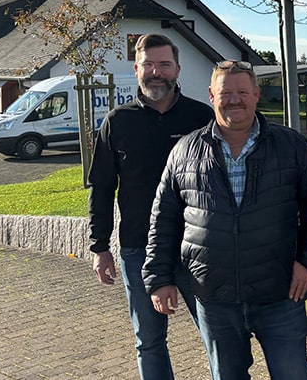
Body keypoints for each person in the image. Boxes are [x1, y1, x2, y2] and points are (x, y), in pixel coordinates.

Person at [142, 59, 307, 380]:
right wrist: (159, 278)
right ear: (212, 96)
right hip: (215, 298)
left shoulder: (291, 146)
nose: (234, 100)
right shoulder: (185, 152)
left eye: (242, 92)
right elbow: (163, 220)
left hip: (280, 294)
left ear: (256, 94)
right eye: (225, 93)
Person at [87, 33, 214, 380]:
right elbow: (101, 188)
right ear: (136, 68)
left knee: (217, 337)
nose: (156, 72)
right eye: (149, 65)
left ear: (177, 69)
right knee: (149, 341)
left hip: (198, 247)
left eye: (164, 64)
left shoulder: (202, 119)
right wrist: (99, 246)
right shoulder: (117, 122)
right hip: (138, 249)